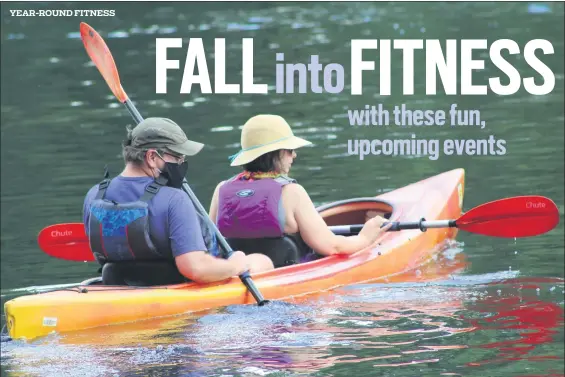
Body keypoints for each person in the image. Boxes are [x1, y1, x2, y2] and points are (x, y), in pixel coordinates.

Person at [82, 117, 274, 286]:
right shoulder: (174, 199)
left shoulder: (95, 195)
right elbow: (195, 268)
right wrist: (235, 265)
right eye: (177, 157)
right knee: (261, 260)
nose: (181, 163)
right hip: (174, 287)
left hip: (117, 283)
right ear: (151, 157)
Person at [209, 114, 391, 268]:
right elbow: (332, 247)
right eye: (289, 150)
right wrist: (365, 237)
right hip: (284, 284)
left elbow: (211, 246)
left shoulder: (221, 190)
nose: (294, 155)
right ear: (275, 153)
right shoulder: (291, 192)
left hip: (238, 274)